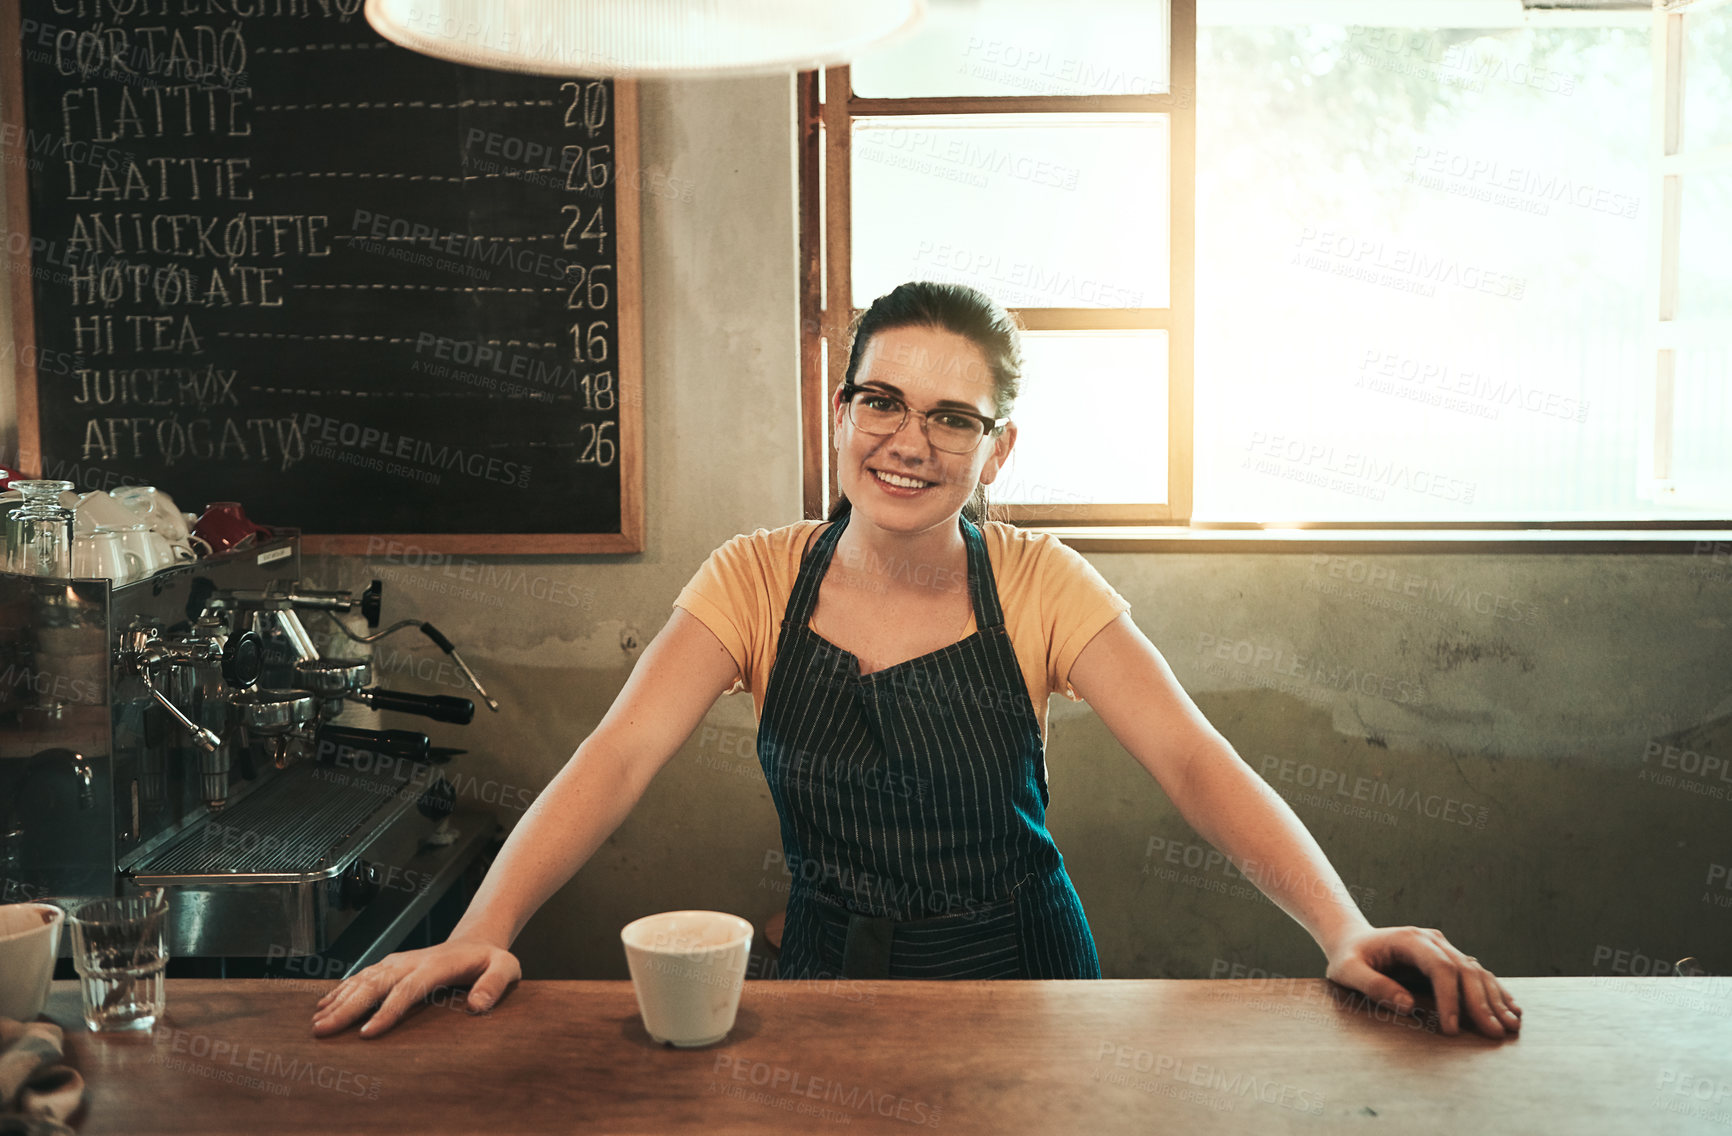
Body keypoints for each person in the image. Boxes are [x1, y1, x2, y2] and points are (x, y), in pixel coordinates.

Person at [312, 281, 1522, 1040]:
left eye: (954, 416)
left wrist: (1343, 929)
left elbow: (1194, 762)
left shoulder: (1044, 582)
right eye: (879, 400)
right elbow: (618, 753)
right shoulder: (752, 576)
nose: (908, 440)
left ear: (997, 452)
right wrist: (486, 924)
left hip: (1029, 979)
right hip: (822, 979)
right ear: (838, 414)